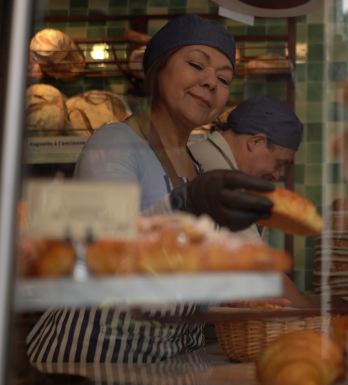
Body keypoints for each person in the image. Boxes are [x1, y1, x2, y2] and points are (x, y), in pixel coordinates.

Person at [26, 15, 276, 364]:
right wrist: (184, 203)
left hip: (161, 363)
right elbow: (104, 256)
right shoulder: (113, 144)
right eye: (195, 65)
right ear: (159, 69)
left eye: (223, 79)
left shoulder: (198, 167)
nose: (210, 83)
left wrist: (231, 296)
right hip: (91, 360)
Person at [189, 95, 303, 240]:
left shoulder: (207, 154)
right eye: (279, 163)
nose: (276, 175)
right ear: (256, 142)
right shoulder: (216, 174)